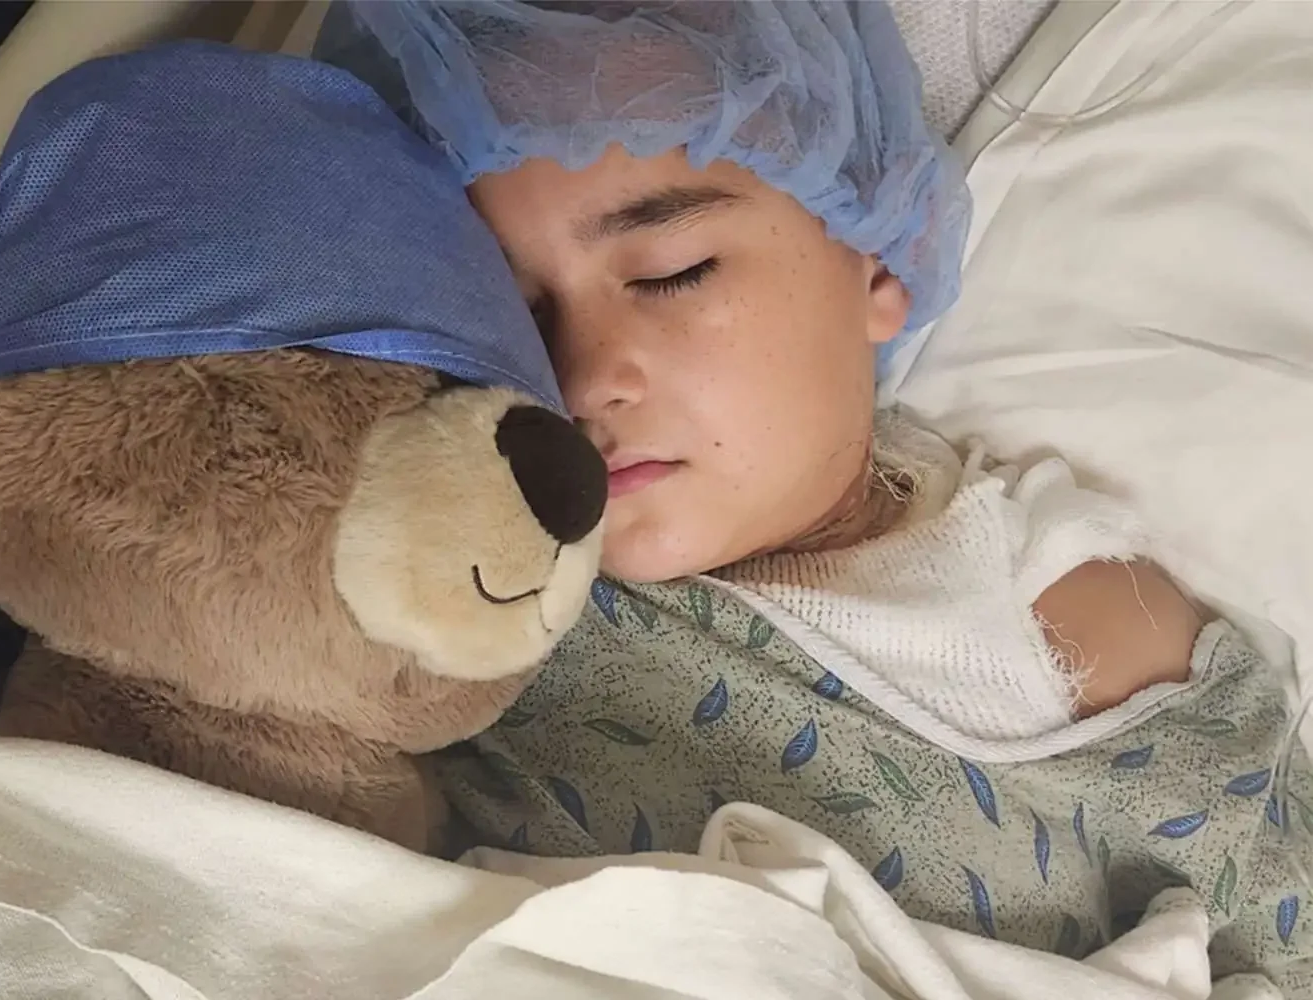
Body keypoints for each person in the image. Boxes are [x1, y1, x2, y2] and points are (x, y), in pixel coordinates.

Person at [327, 1, 1310, 991]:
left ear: (875, 255)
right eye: (516, 310)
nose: (582, 377)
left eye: (672, 273)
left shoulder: (1074, 622)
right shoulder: (463, 572)